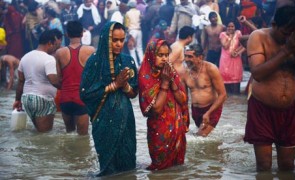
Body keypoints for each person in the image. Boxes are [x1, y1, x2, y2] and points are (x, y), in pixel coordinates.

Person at [244, 6, 295, 171]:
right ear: (274, 24)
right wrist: (286, 50)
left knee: (288, 166)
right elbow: (258, 73)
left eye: (292, 33)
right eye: (285, 33)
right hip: (262, 109)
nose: (288, 37)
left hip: (289, 110)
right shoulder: (258, 37)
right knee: (264, 166)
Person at [80, 22, 138, 176]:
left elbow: (134, 93)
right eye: (114, 40)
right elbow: (85, 94)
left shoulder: (128, 61)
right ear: (106, 39)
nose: (119, 44)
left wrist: (124, 86)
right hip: (103, 120)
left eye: (122, 40)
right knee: (108, 169)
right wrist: (114, 85)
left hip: (126, 120)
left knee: (128, 165)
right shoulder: (94, 62)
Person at [138, 38, 189, 170]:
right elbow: (156, 109)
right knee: (159, 171)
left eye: (166, 55)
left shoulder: (170, 72)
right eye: (160, 55)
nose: (164, 59)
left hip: (177, 131)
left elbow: (183, 100)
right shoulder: (145, 76)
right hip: (159, 132)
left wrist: (172, 82)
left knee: (176, 171)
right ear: (151, 55)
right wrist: (165, 83)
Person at [12, 29, 62, 133]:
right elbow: (53, 80)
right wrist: (68, 87)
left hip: (27, 98)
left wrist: (17, 100)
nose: (54, 48)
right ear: (49, 43)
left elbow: (21, 82)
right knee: (45, 135)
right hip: (43, 99)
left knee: (38, 132)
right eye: (54, 44)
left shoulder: (25, 57)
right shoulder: (49, 59)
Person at [55, 21, 95, 135]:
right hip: (81, 98)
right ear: (82, 34)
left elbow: (59, 79)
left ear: (67, 34)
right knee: (83, 138)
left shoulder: (59, 52)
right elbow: (94, 77)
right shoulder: (90, 51)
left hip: (65, 99)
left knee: (69, 135)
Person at [181, 44, 226, 137]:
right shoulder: (184, 73)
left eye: (190, 56)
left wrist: (208, 113)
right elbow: (183, 98)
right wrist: (183, 115)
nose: (186, 59)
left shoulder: (211, 69)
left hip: (211, 109)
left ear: (200, 57)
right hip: (195, 111)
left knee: (200, 137)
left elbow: (223, 95)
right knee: (200, 137)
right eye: (185, 56)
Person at [219, 21, 245, 94]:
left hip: (235, 60)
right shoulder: (222, 34)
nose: (230, 28)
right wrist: (230, 37)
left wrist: (237, 52)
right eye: (229, 26)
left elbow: (244, 45)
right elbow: (225, 46)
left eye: (232, 26)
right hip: (225, 60)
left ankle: (235, 102)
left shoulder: (238, 33)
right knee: (225, 82)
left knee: (236, 83)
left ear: (235, 27)